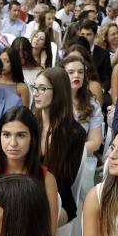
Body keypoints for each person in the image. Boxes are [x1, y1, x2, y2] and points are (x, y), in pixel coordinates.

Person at [0, 106, 59, 236]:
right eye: (6, 135)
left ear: (32, 138)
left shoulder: (46, 179)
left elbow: (49, 231)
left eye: (21, 135)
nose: (13, 143)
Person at [32, 68, 86, 225]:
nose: (35, 93)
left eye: (42, 88)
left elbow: (65, 179)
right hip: (25, 187)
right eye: (34, 87)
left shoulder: (75, 133)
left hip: (57, 194)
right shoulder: (29, 122)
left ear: (59, 92)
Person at [62, 55, 103, 157]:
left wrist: (73, 153)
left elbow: (95, 142)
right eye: (71, 72)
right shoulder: (53, 100)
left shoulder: (92, 103)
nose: (77, 75)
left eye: (80, 72)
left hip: (82, 156)